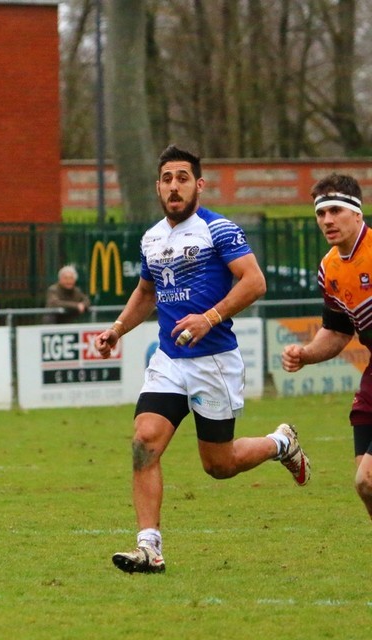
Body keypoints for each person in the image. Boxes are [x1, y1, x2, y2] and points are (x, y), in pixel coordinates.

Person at [92, 144, 310, 575]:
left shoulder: (219, 229)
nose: (174, 186)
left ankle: (281, 443)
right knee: (144, 441)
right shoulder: (152, 238)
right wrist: (117, 329)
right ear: (158, 187)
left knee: (219, 465)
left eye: (183, 178)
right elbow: (147, 292)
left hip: (214, 363)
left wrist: (210, 318)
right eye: (167, 179)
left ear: (199, 185)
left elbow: (254, 282)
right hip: (169, 360)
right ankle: (149, 547)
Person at [281, 174, 372, 520]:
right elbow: (337, 331)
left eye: (335, 210)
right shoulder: (329, 269)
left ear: (357, 213)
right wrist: (305, 354)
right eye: (321, 213)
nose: (327, 220)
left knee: (367, 478)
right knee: (367, 485)